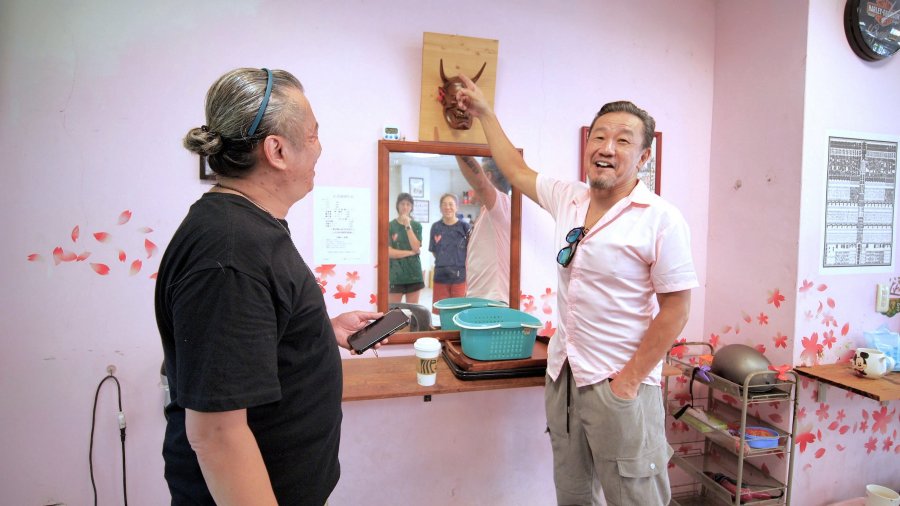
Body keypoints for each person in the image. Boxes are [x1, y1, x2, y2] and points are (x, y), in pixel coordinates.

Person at [457, 75, 698, 506]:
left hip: (620, 383)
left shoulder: (660, 218)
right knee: (573, 494)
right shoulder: (569, 198)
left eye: (622, 141)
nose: (607, 148)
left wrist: (628, 382)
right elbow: (515, 170)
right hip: (564, 377)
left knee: (635, 497)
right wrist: (485, 114)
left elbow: (676, 308)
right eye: (599, 137)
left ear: (643, 157)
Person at [156, 67, 381, 506]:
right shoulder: (229, 251)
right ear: (277, 150)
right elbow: (217, 434)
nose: (320, 148)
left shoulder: (246, 230)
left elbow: (248, 337)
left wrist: (319, 330)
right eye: (313, 135)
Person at [454, 155, 512, 304]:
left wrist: (456, 149)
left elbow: (481, 184)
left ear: (488, 176)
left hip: (492, 302)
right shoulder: (488, 212)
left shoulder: (502, 205)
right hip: (483, 300)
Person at [429, 193, 471, 311]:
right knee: (442, 310)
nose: (447, 207)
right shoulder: (435, 227)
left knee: (459, 310)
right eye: (444, 204)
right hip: (440, 276)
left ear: (457, 207)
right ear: (440, 208)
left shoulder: (465, 227)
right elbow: (434, 251)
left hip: (460, 276)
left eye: (451, 204)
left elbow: (471, 251)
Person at [388, 192, 424, 304]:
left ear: (411, 207)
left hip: (413, 274)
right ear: (397, 205)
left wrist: (408, 226)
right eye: (402, 204)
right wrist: (410, 253)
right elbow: (389, 252)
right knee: (393, 310)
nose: (405, 207)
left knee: (412, 310)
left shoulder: (417, 226)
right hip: (395, 275)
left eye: (408, 204)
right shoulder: (390, 226)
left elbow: (416, 247)